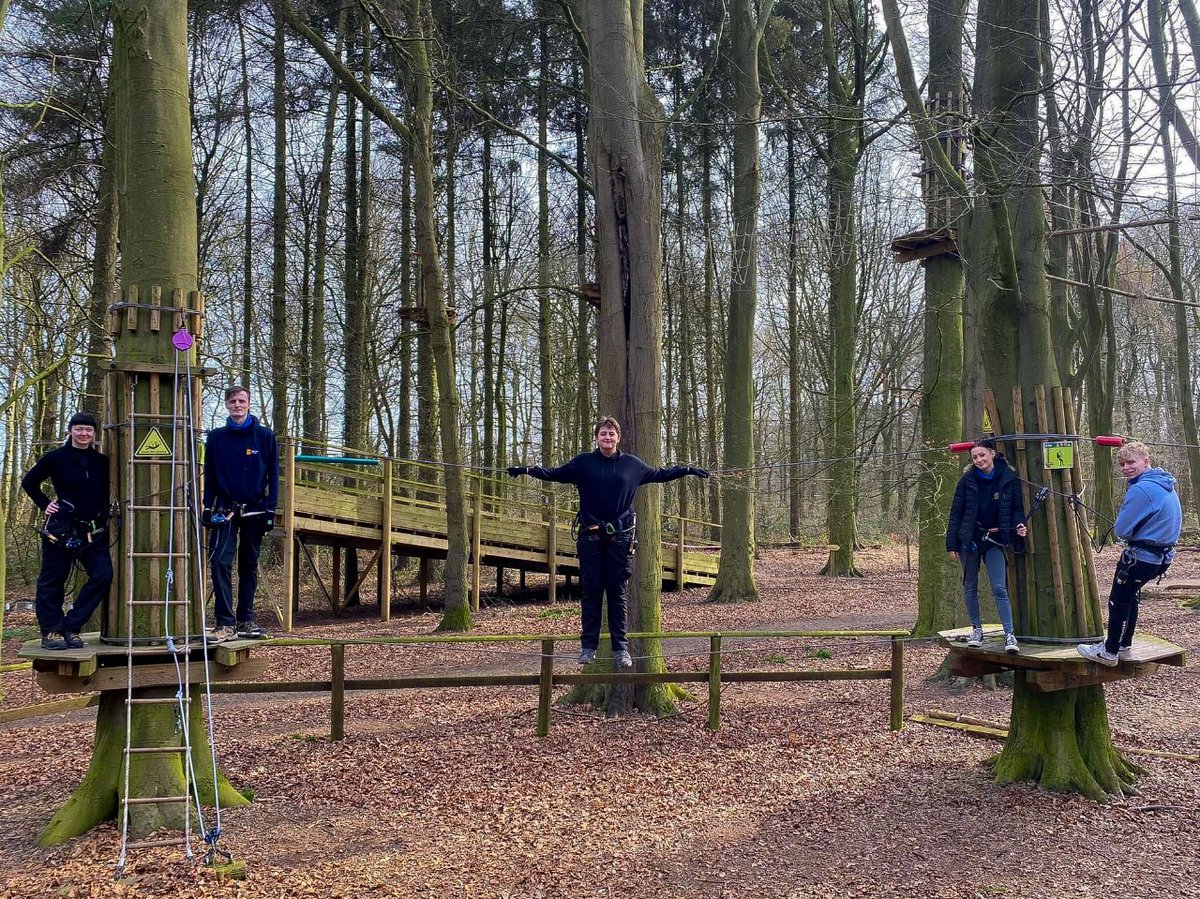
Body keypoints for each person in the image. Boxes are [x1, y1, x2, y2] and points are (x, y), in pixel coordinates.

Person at [508, 417, 709, 669]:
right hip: (590, 536)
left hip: (620, 537)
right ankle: (588, 647)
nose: (608, 437)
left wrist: (687, 470)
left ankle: (620, 648)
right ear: (597, 437)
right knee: (591, 591)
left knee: (617, 593)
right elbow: (555, 474)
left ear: (618, 438)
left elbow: (661, 474)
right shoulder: (583, 463)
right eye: (603, 433)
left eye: (612, 434)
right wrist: (526, 470)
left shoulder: (632, 465)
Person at [1078, 441, 1181, 667]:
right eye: (1122, 464)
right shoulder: (1166, 484)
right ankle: (1124, 645)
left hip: (1142, 557)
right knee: (1130, 597)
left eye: (1131, 462)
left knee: (1118, 600)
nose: (1126, 468)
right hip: (1161, 558)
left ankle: (1110, 651)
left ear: (1146, 462)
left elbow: (1122, 529)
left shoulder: (1141, 489)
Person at [21, 411, 113, 650]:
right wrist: (45, 504)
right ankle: (51, 631)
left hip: (92, 530)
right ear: (71, 430)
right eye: (79, 429)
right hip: (61, 529)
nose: (84, 434)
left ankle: (71, 626)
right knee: (53, 580)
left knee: (103, 574)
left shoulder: (101, 461)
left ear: (94, 434)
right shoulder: (56, 458)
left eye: (88, 430)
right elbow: (29, 482)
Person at [203, 386, 278, 641]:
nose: (237, 404)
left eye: (241, 400)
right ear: (226, 404)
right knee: (219, 562)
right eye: (233, 401)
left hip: (256, 510)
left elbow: (274, 476)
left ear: (249, 403)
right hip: (225, 509)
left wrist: (271, 509)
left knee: (248, 565)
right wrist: (206, 506)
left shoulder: (265, 437)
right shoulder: (216, 438)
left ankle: (246, 620)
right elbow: (210, 475)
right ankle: (224, 623)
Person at [945, 439, 1028, 654]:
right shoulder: (966, 481)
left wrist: (1019, 526)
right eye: (974, 457)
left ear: (992, 454)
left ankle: (1009, 634)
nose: (979, 460)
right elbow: (955, 513)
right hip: (970, 540)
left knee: (999, 587)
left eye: (982, 455)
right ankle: (976, 630)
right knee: (970, 585)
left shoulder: (1009, 478)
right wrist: (952, 543)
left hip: (995, 540)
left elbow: (1017, 509)